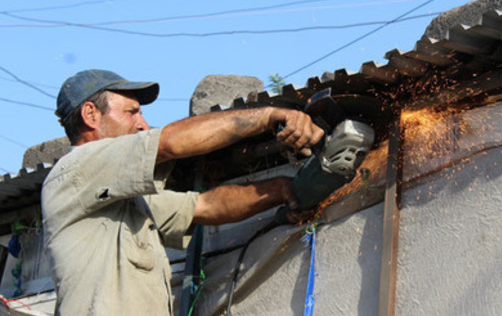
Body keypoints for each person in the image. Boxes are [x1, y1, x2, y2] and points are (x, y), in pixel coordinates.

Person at [41, 69, 324, 316]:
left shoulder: (125, 199)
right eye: (132, 112)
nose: (143, 124)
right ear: (90, 114)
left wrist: (282, 188)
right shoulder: (76, 170)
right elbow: (171, 143)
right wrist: (270, 116)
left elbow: (205, 206)